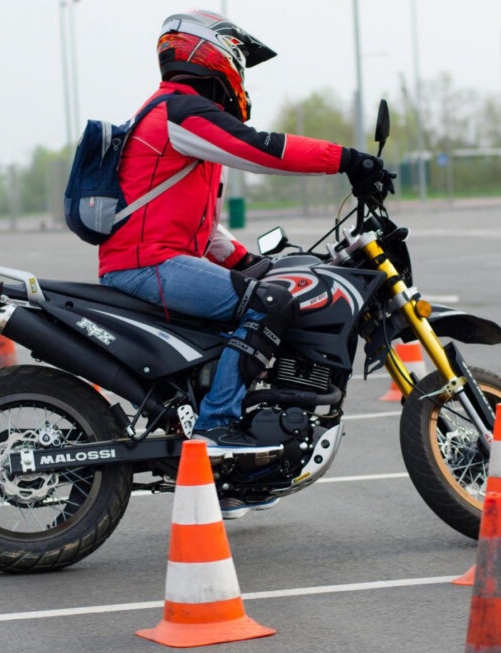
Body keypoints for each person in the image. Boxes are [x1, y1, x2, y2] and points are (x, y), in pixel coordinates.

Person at [99, 10, 393, 456]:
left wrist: (248, 262)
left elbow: (203, 230)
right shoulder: (180, 111)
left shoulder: (175, 116)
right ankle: (217, 428)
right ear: (210, 53)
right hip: (149, 265)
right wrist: (348, 159)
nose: (241, 71)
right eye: (238, 57)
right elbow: (261, 149)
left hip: (159, 261)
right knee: (271, 302)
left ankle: (237, 471)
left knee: (264, 287)